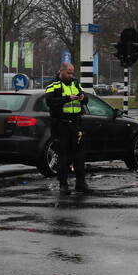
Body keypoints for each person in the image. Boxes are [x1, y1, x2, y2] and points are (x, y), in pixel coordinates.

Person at [44, 62, 89, 195]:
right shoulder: (53, 85)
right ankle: (63, 184)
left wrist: (82, 98)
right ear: (61, 71)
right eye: (68, 72)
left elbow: (86, 99)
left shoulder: (75, 83)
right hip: (61, 124)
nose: (71, 75)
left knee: (79, 155)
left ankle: (81, 182)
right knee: (63, 155)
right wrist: (67, 98)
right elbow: (50, 101)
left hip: (76, 124)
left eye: (72, 72)